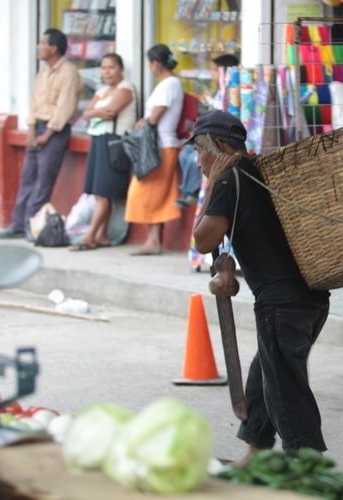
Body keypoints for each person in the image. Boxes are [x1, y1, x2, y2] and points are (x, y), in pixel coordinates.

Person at [191, 110, 330, 464]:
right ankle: (254, 454)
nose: (198, 161)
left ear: (220, 147)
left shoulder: (229, 178)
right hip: (310, 298)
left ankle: (309, 469)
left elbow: (204, 239)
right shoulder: (257, 171)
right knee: (263, 376)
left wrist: (212, 185)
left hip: (281, 304)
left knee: (285, 391)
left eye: (199, 150)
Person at [0, 28, 81, 240]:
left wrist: (47, 134)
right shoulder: (43, 71)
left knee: (43, 183)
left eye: (42, 43)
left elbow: (65, 107)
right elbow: (33, 102)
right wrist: (32, 130)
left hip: (55, 132)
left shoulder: (68, 72)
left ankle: (32, 227)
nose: (38, 47)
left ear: (53, 48)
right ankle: (17, 224)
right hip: (37, 129)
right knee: (27, 179)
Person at [71, 53, 136, 251]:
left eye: (111, 67)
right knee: (98, 192)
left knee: (104, 192)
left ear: (120, 69)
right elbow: (87, 113)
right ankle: (101, 235)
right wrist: (99, 112)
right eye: (103, 67)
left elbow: (111, 112)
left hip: (113, 142)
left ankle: (91, 235)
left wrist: (97, 112)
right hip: (98, 139)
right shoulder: (103, 89)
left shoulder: (126, 88)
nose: (106, 72)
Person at [124, 44, 183, 255]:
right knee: (155, 194)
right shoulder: (170, 84)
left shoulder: (169, 84)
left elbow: (156, 116)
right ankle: (153, 239)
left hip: (159, 147)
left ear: (155, 63)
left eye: (150, 63)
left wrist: (143, 122)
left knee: (144, 192)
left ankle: (154, 240)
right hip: (160, 146)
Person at [176, 53, 239, 209]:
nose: (213, 74)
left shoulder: (231, 91)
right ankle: (187, 191)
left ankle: (191, 192)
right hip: (208, 134)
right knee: (186, 154)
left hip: (218, 136)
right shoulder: (219, 90)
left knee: (193, 158)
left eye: (215, 70)